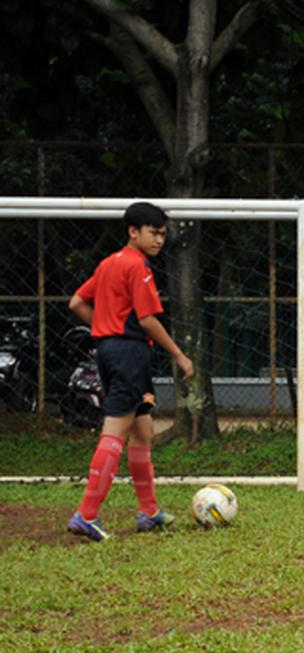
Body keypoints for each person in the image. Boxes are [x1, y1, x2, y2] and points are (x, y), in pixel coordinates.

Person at [66, 202, 194, 541]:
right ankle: (86, 515)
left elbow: (77, 303)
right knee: (116, 431)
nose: (159, 240)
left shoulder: (109, 264)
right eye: (153, 233)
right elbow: (148, 319)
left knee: (143, 431)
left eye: (163, 234)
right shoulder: (139, 267)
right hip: (130, 356)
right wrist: (180, 355)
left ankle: (148, 512)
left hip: (110, 353)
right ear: (133, 231)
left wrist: (105, 331)